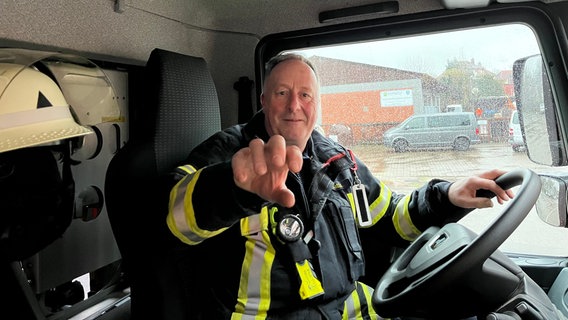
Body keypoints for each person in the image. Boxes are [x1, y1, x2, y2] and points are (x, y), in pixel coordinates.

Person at [165, 53, 513, 319]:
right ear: (264, 100)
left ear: (317, 105)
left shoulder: (337, 160)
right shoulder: (229, 153)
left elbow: (391, 216)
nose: (294, 106)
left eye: (305, 95)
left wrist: (447, 195)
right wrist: (235, 189)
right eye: (282, 93)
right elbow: (173, 219)